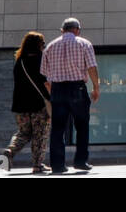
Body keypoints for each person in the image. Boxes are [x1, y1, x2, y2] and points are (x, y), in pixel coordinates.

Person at [40, 17, 100, 174]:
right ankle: (80, 161)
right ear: (77, 30)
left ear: (62, 30)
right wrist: (96, 87)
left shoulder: (50, 47)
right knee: (82, 126)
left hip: (58, 89)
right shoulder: (84, 44)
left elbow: (45, 74)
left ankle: (58, 165)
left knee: (58, 129)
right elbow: (92, 67)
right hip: (77, 88)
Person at [0, 31, 51, 173]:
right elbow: (46, 82)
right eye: (43, 43)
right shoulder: (42, 60)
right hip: (39, 104)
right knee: (39, 134)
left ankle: (10, 151)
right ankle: (37, 165)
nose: (44, 46)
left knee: (23, 132)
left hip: (21, 104)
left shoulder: (20, 60)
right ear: (39, 45)